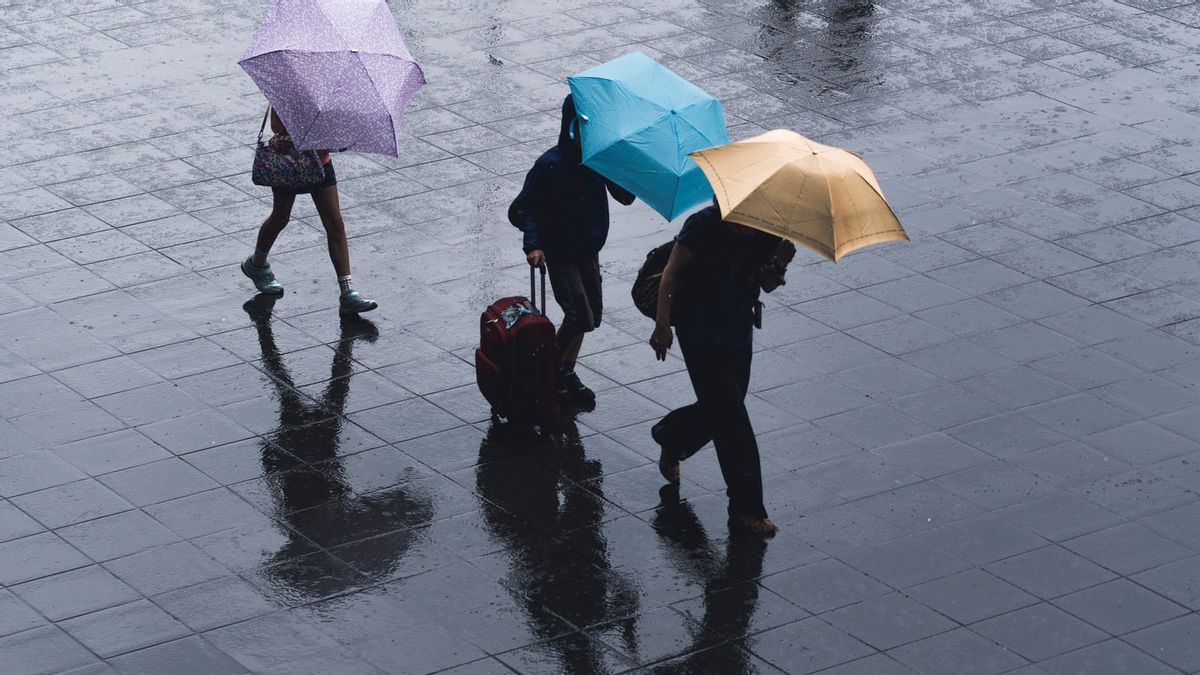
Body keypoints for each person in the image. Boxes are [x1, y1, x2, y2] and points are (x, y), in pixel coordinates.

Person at [648, 201, 783, 537]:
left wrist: (778, 267)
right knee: (733, 422)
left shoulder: (766, 231)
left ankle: (673, 435)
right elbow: (672, 274)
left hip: (738, 332)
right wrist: (663, 325)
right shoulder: (702, 225)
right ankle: (746, 508)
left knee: (723, 408)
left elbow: (766, 284)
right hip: (701, 334)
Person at [509, 95, 636, 405]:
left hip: (588, 249)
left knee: (591, 317)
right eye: (582, 128)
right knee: (578, 315)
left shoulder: (598, 161)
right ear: (570, 127)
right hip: (561, 252)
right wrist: (534, 244)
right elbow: (522, 209)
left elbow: (625, 197)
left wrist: (624, 166)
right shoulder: (550, 165)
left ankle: (564, 370)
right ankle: (547, 370)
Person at [241, 109, 377, 315]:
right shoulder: (287, 85)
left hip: (320, 161)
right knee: (280, 216)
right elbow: (277, 126)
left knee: (334, 224)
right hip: (289, 161)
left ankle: (347, 292)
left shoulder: (328, 92)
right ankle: (257, 264)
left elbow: (334, 133)